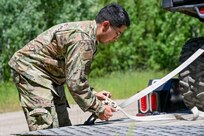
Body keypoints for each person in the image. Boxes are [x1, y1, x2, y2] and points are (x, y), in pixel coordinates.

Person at [8, 3, 130, 131]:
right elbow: (75, 83)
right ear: (106, 25)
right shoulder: (82, 39)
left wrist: (93, 94)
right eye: (117, 33)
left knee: (62, 125)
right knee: (45, 126)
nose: (117, 38)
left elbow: (74, 75)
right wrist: (99, 108)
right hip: (30, 69)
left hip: (49, 74)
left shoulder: (89, 37)